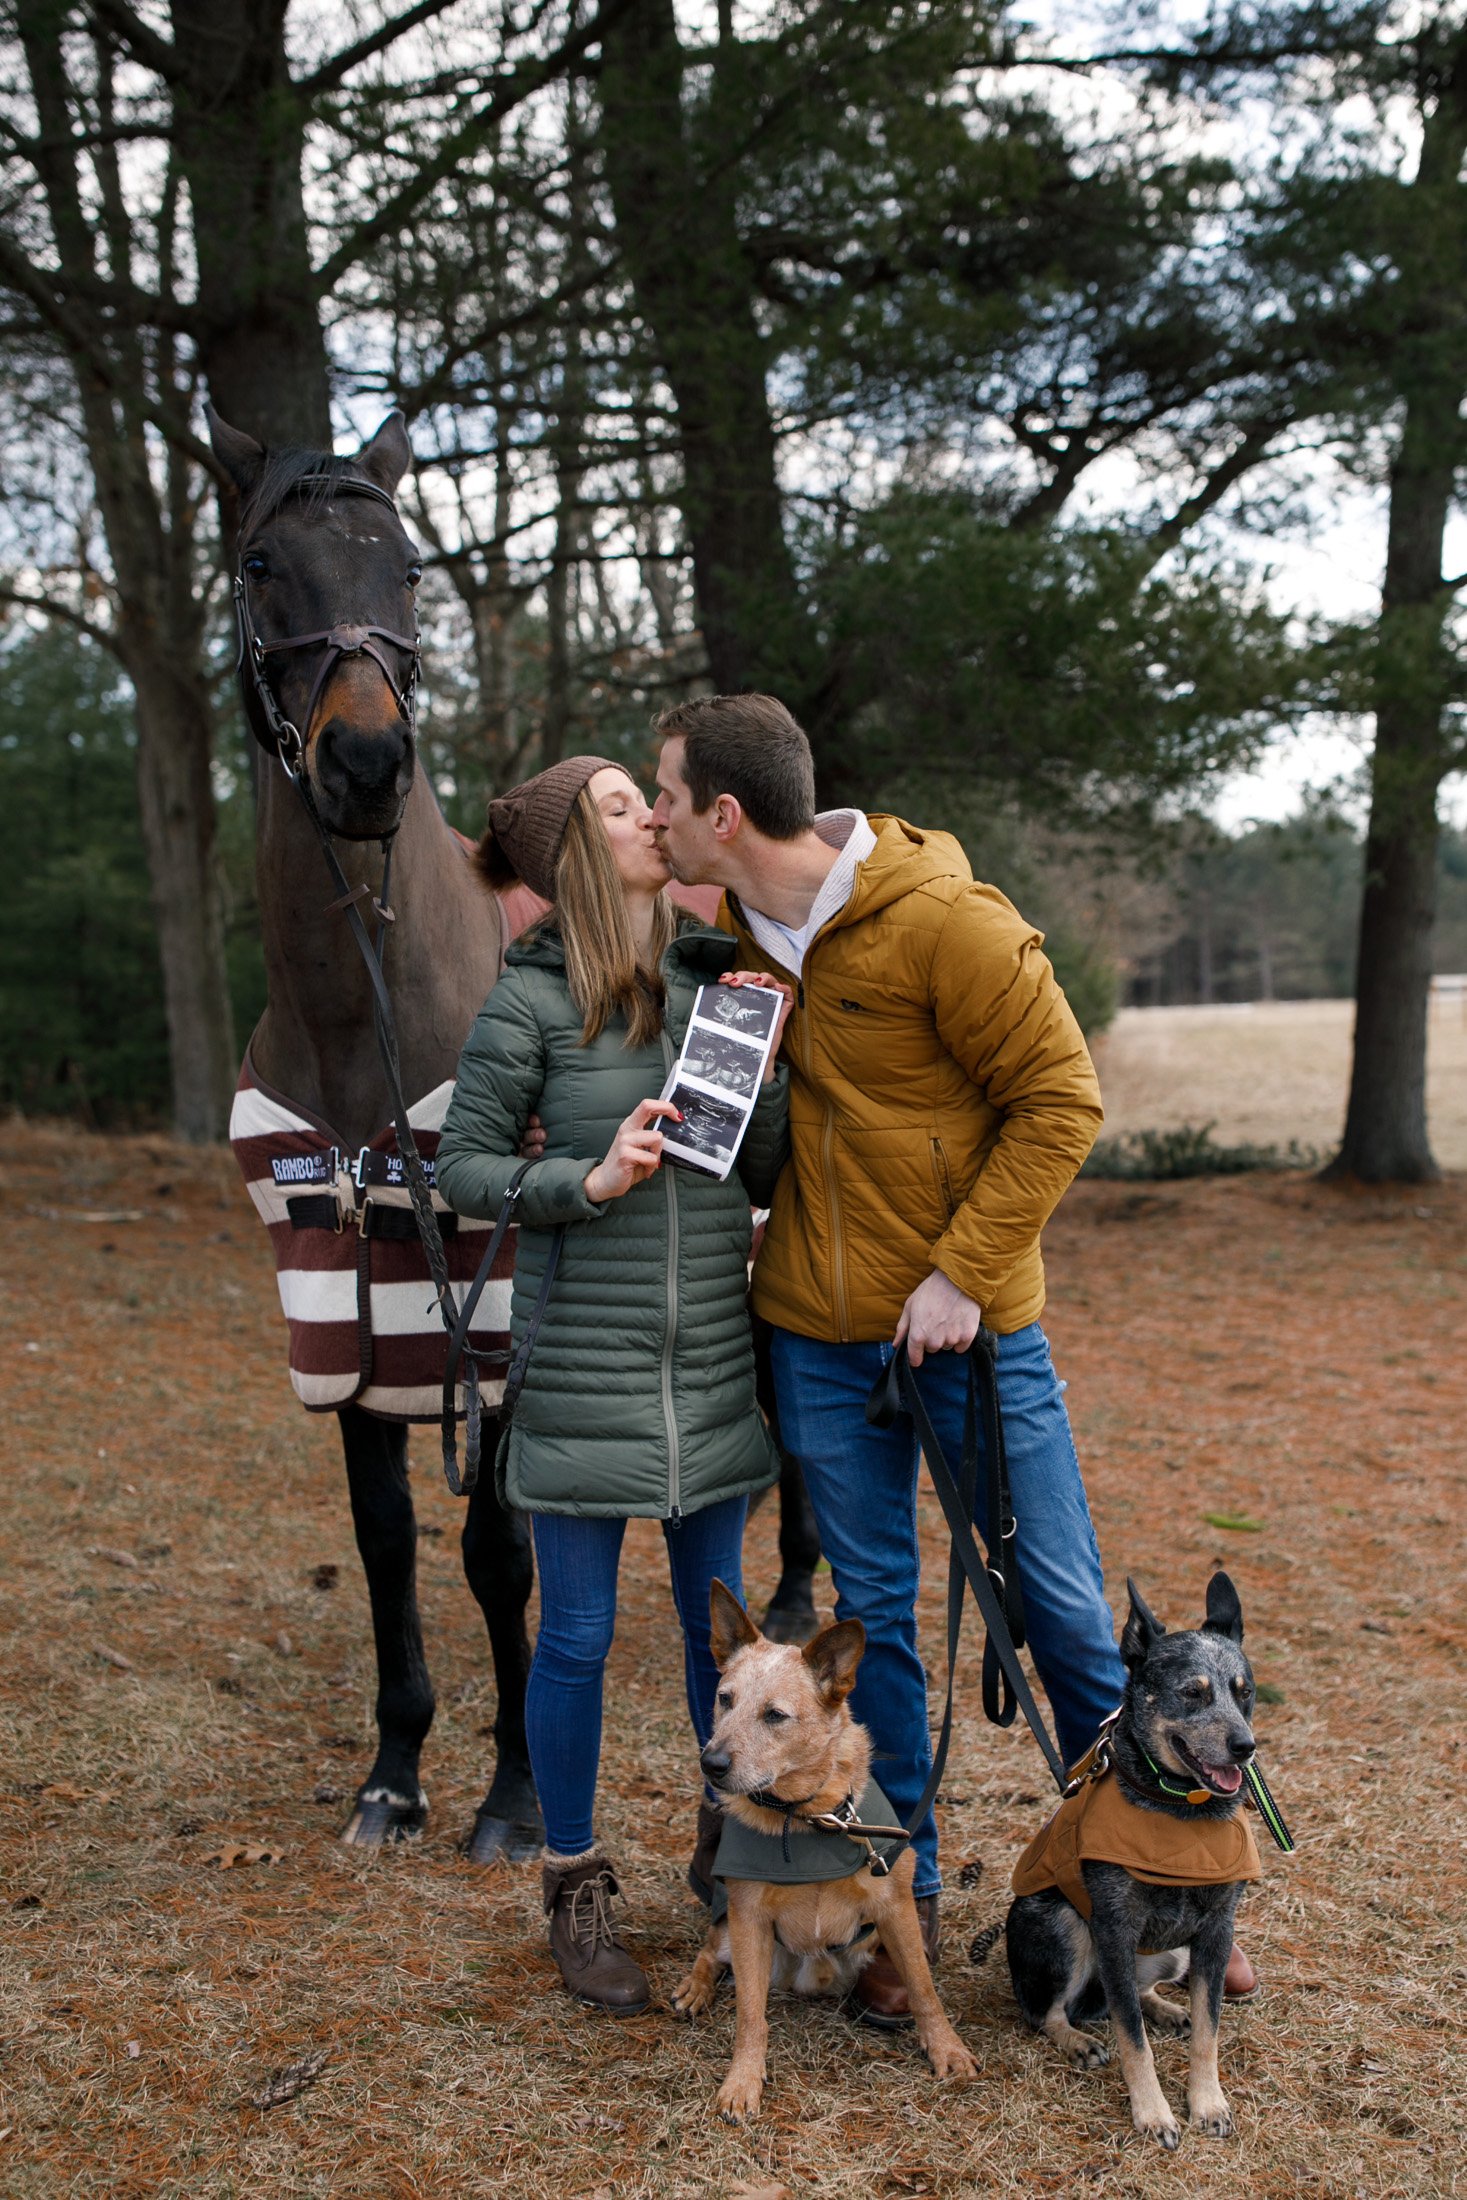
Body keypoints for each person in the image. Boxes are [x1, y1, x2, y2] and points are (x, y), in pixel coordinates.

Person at [649, 694, 1261, 2019]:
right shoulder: (722, 931)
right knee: (869, 1628)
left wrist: (957, 1275)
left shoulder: (943, 922)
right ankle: (897, 1921)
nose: (650, 819)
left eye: (661, 797)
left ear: (722, 813)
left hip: (970, 1335)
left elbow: (1061, 1101)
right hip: (816, 1340)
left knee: (1056, 1609)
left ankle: (1171, 1889)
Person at [436, 754, 789, 2014]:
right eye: (622, 807)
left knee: (718, 1635)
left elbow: (770, 1159)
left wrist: (772, 1058)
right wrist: (578, 1185)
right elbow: (463, 1169)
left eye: (651, 795)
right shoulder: (525, 1007)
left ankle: (727, 1837)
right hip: (584, 1366)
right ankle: (574, 1879)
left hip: (705, 1365)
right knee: (576, 1634)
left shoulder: (716, 985)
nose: (654, 815)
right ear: (571, 855)